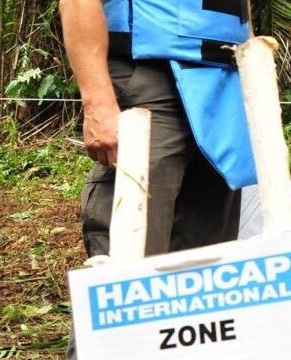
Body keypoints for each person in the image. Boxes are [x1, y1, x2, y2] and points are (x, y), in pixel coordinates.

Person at [59, 0, 257, 358]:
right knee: (128, 263)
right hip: (148, 76)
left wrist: (251, 77)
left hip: (222, 82)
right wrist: (98, 100)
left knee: (208, 269)